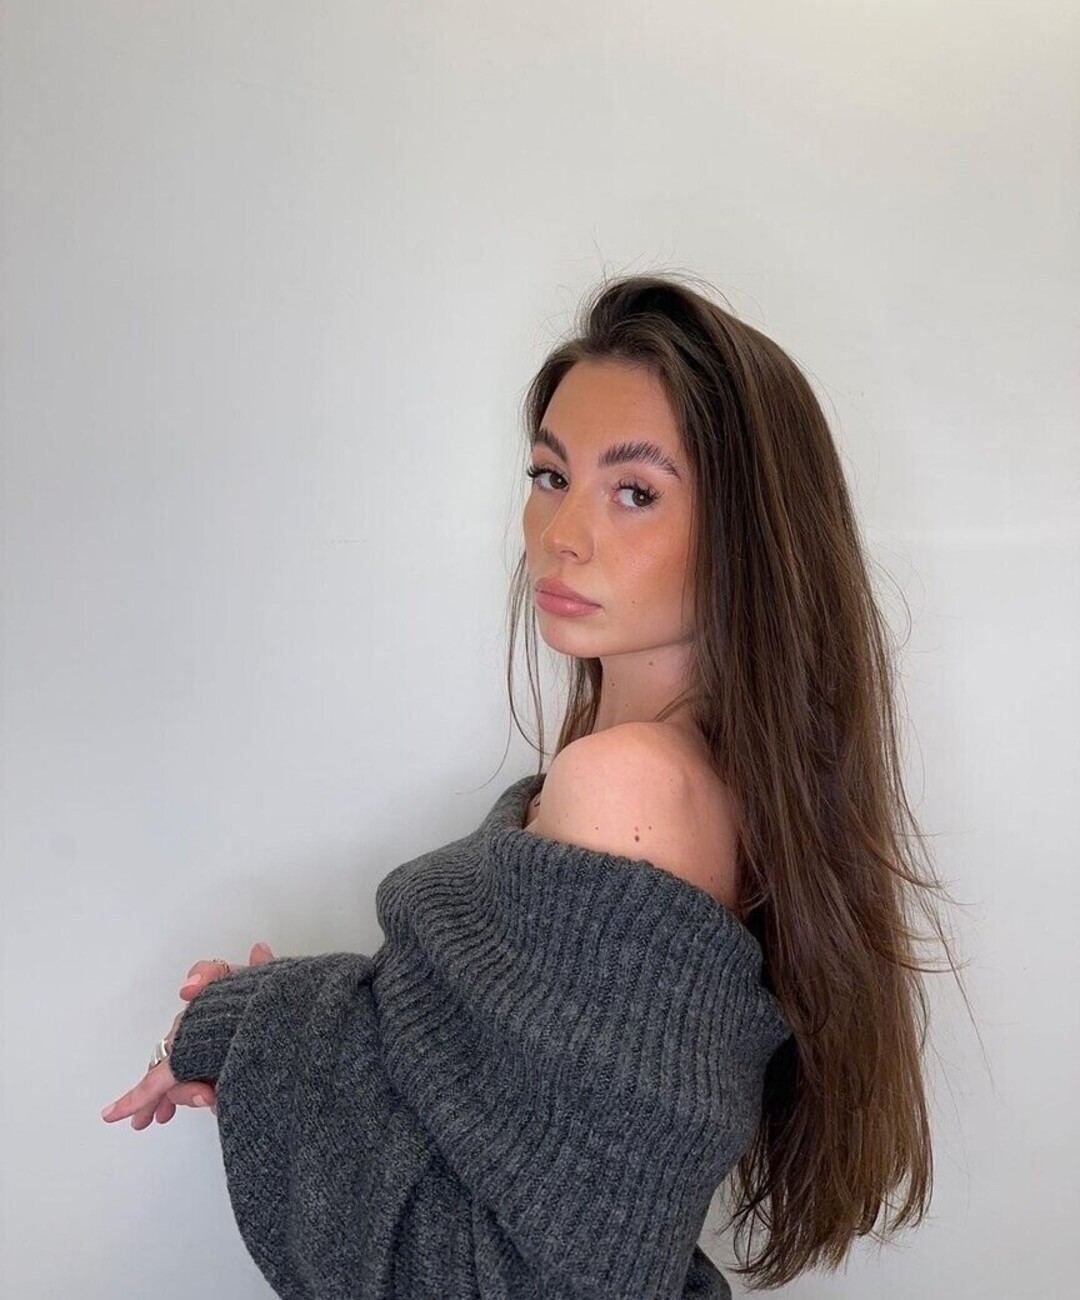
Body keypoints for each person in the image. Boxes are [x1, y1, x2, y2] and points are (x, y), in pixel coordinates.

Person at [102, 272, 966, 1295]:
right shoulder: (710, 776)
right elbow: (513, 1150)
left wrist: (270, 1027)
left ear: (747, 533)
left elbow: (504, 1275)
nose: (562, 533)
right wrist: (288, 1029)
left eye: (635, 492)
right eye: (551, 475)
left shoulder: (627, 785)